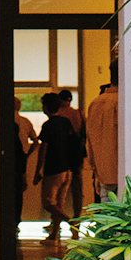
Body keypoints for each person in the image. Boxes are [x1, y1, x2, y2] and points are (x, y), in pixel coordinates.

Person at [34, 92, 82, 240]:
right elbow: (74, 142)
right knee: (59, 204)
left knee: (48, 203)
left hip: (54, 168)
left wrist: (38, 170)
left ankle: (71, 222)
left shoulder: (48, 125)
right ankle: (54, 234)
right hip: (67, 168)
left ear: (46, 107)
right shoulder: (66, 122)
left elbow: (43, 148)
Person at [86, 68, 120, 199]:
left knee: (108, 216)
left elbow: (90, 142)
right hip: (127, 174)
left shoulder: (95, 103)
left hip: (103, 174)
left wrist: (95, 171)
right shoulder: (125, 102)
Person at [56, 89, 86, 221]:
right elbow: (83, 133)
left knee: (58, 189)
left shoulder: (59, 114)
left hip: (63, 152)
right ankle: (77, 215)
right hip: (77, 153)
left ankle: (56, 218)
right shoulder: (78, 113)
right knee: (77, 188)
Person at [10, 94, 36, 196]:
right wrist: (27, 154)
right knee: (19, 189)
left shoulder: (2, 120)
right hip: (22, 158)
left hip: (7, 158)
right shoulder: (25, 121)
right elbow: (35, 141)